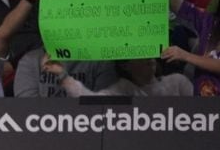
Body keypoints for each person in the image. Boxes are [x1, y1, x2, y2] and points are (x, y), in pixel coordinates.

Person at [42, 56, 194, 96]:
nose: (148, 58)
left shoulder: (178, 82)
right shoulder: (123, 89)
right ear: (125, 65)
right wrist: (63, 76)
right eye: (140, 55)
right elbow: (90, 98)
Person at [13, 47, 117, 97]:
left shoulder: (101, 61)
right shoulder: (31, 60)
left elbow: (104, 109)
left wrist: (63, 76)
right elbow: (27, 111)